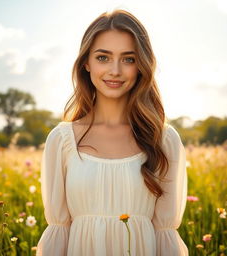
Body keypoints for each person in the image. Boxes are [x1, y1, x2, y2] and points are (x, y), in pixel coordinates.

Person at [36, 9, 188, 256]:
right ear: (86, 62)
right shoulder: (62, 140)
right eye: (103, 58)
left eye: (128, 59)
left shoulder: (163, 140)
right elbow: (58, 232)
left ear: (142, 66)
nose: (115, 70)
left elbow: (165, 235)